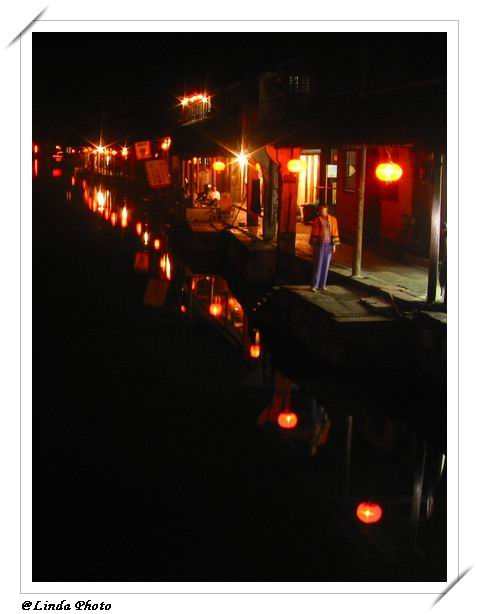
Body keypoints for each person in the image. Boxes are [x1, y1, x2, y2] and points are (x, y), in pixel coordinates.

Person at [309, 204, 340, 291]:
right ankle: (314, 285)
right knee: (318, 264)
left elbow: (335, 232)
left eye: (323, 210)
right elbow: (314, 232)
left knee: (326, 265)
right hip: (319, 244)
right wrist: (313, 245)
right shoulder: (317, 220)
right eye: (321, 210)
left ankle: (322, 284)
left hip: (329, 244)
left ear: (327, 210)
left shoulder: (333, 220)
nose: (322, 212)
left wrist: (334, 245)